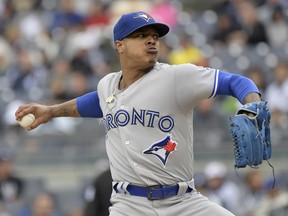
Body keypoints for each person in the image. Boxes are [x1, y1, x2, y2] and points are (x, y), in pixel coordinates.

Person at [15, 11, 264, 216]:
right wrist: (51, 111)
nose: (151, 40)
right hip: (129, 206)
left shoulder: (176, 77)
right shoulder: (107, 86)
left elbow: (236, 82)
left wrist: (252, 105)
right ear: (119, 45)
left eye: (155, 36)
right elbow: (97, 102)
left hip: (183, 203)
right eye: (141, 35)